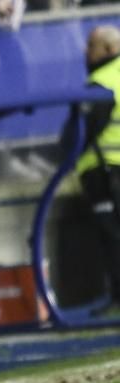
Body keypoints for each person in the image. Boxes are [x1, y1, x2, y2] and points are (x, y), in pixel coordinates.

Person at [77, 25, 120, 314]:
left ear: (108, 50)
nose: (86, 51)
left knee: (112, 236)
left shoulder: (102, 82)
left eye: (91, 45)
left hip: (105, 171)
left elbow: (84, 132)